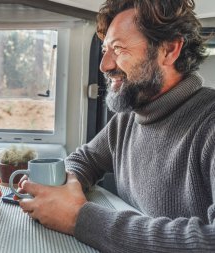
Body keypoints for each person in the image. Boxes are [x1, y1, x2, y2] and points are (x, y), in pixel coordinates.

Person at [18, 0, 215, 252]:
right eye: (104, 50)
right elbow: (85, 158)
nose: (104, 65)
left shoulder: (209, 123)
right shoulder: (129, 118)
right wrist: (65, 188)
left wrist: (78, 218)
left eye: (119, 49)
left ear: (169, 50)